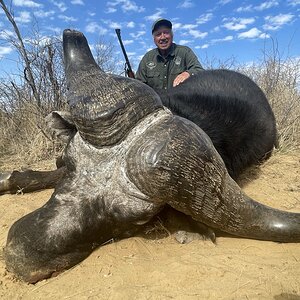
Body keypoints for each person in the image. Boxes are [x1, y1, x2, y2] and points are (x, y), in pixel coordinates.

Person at [135, 18, 204, 92]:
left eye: (166, 33)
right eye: (158, 34)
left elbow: (200, 71)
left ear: (172, 35)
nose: (163, 37)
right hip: (156, 102)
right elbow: (139, 84)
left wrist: (188, 73)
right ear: (154, 39)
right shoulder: (147, 58)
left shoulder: (185, 52)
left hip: (180, 102)